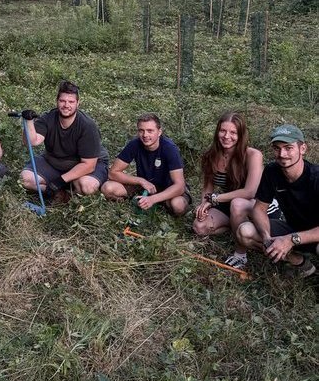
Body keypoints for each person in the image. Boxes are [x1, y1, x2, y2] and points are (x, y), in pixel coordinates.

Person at [237, 124, 319, 278]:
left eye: (288, 148)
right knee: (245, 232)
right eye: (277, 148)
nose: (282, 154)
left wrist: (291, 240)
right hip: (293, 228)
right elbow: (259, 209)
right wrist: (267, 237)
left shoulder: (315, 177)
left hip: (314, 234)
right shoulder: (272, 171)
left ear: (302, 149)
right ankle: (300, 263)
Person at [192, 112, 269, 270]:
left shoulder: (253, 155)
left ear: (241, 135)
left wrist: (214, 199)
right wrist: (204, 204)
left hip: (256, 204)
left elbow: (249, 192)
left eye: (233, 132)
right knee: (199, 227)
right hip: (228, 201)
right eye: (223, 131)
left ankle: (241, 254)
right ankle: (235, 227)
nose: (227, 136)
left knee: (237, 204)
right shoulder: (210, 155)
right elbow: (208, 187)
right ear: (217, 132)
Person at [19, 80, 108, 199]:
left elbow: (89, 165)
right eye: (62, 101)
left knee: (87, 187)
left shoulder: (87, 126)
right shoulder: (48, 118)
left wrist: (60, 181)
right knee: (25, 180)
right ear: (57, 101)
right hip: (55, 162)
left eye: (71, 102)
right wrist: (28, 122)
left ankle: (69, 188)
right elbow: (31, 142)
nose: (66, 105)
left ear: (78, 103)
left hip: (85, 165)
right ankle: (60, 193)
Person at [101, 114, 189, 215]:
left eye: (150, 131)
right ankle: (138, 202)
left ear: (159, 132)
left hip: (168, 189)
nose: (145, 135)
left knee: (178, 205)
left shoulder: (169, 148)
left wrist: (153, 199)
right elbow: (112, 173)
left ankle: (156, 205)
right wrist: (140, 181)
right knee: (107, 188)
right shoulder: (134, 144)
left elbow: (179, 186)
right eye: (141, 130)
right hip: (145, 186)